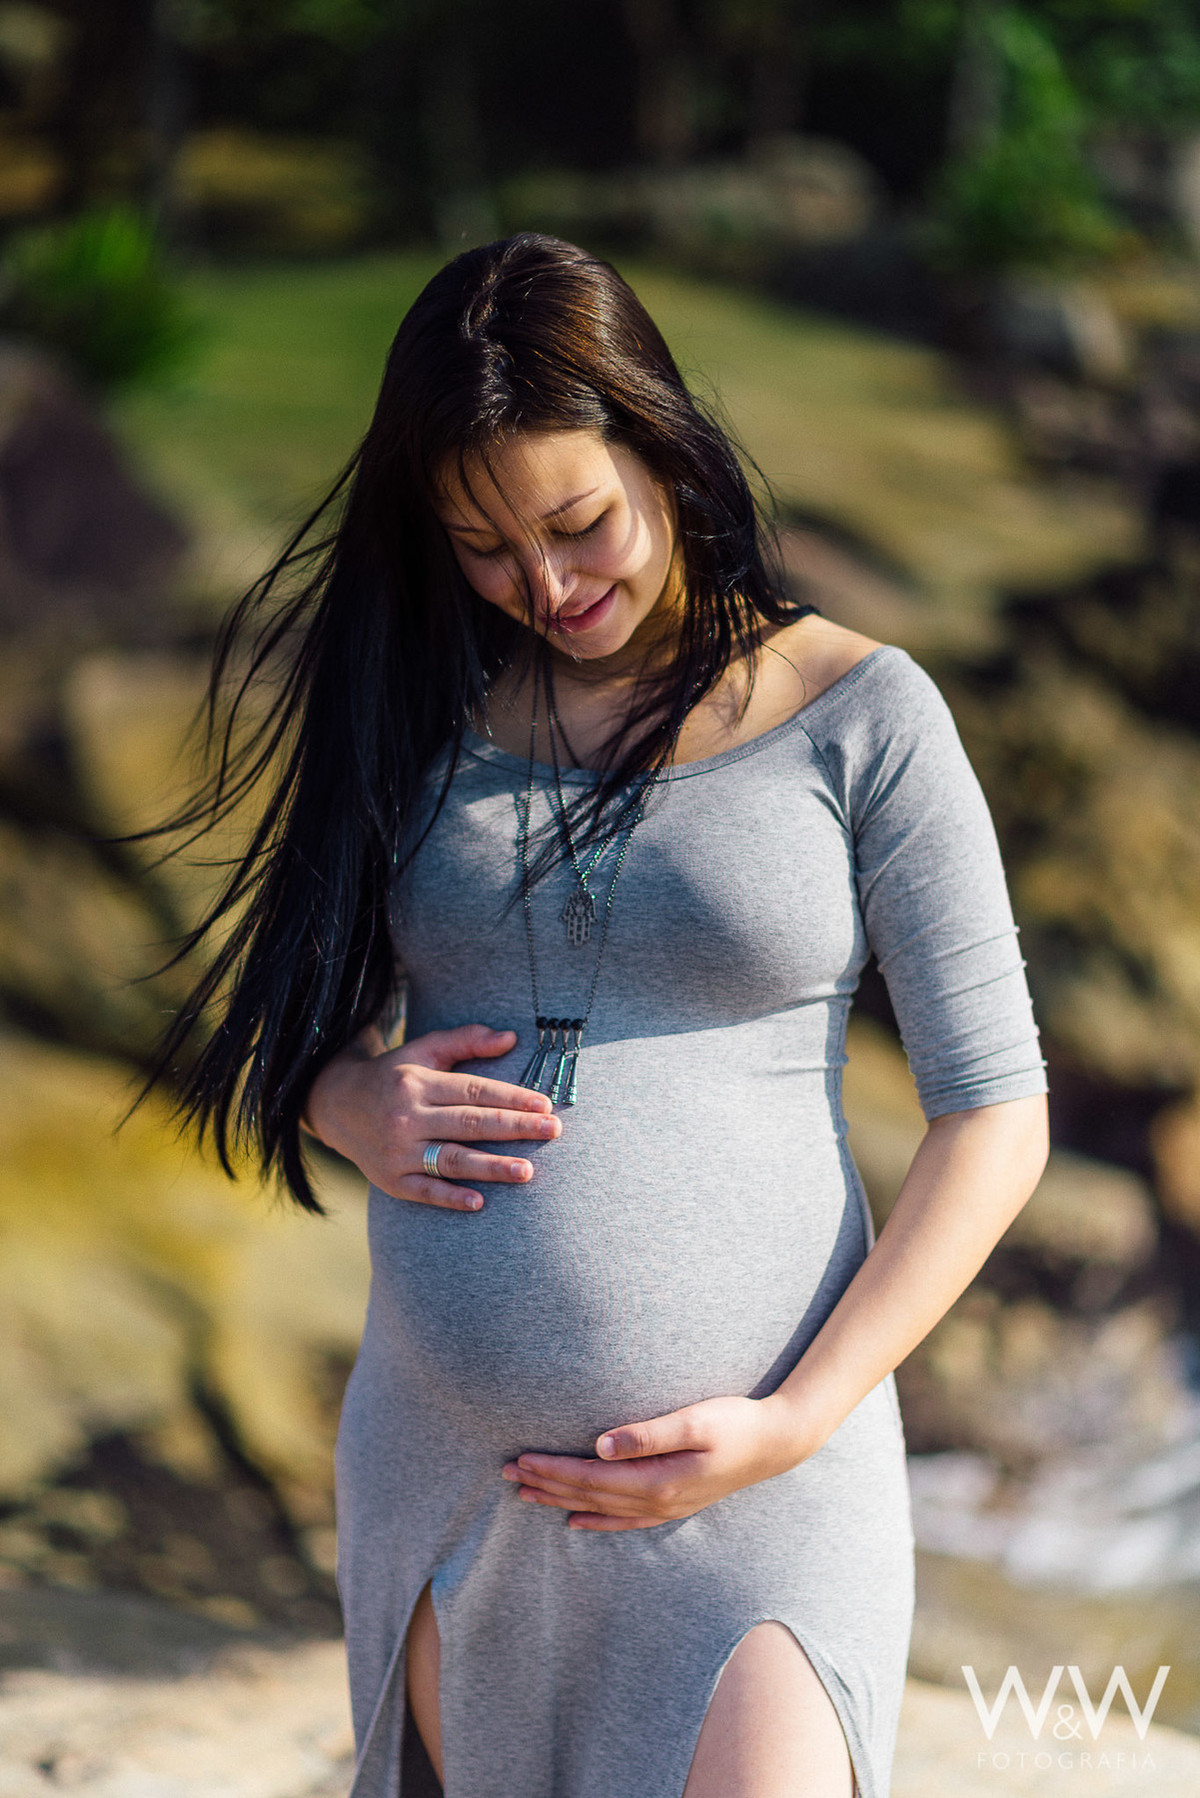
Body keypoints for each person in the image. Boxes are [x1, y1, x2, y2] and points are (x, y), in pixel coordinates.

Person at [144, 233, 1049, 1798]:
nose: (548, 587)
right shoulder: (418, 710)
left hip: (765, 1489)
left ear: (659, 440)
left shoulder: (867, 714)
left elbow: (999, 1110)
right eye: (485, 549)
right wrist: (350, 1097)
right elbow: (274, 1024)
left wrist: (797, 1419)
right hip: (453, 1479)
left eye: (578, 523)